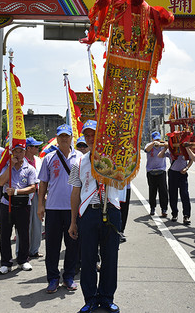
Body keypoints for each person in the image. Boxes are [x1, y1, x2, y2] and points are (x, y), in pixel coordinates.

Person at [68, 120, 123, 313]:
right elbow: (75, 192)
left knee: (110, 257)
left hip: (111, 210)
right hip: (88, 212)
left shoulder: (113, 158)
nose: (91, 139)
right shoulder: (79, 162)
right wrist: (73, 221)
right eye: (87, 135)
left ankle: (107, 297)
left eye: (94, 135)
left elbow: (121, 183)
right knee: (88, 258)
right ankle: (90, 299)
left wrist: (106, 169)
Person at [38, 125, 82, 293]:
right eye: (61, 136)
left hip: (73, 209)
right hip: (54, 208)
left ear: (72, 137)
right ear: (57, 137)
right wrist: (40, 205)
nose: (64, 139)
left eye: (67, 136)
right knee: (52, 246)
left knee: (72, 245)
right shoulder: (49, 158)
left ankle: (69, 276)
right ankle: (53, 278)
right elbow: (43, 182)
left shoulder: (80, 157)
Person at [0, 142, 38, 274]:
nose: (18, 154)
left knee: (23, 234)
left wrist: (16, 192)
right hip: (6, 204)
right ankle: (6, 262)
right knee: (5, 234)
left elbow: (33, 187)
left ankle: (23, 260)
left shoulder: (30, 169)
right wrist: (11, 166)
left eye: (20, 151)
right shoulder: (7, 167)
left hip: (23, 205)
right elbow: (1, 182)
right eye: (15, 151)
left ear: (25, 152)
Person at [159, 143, 193, 225]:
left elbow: (191, 159)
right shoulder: (171, 150)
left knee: (184, 194)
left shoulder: (185, 149)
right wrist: (165, 148)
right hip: (173, 173)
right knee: (173, 194)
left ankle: (186, 215)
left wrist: (187, 168)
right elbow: (160, 156)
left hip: (183, 173)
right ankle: (174, 213)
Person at [21, 136, 43, 259]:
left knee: (37, 223)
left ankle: (34, 249)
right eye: (35, 146)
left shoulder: (39, 160)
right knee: (24, 225)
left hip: (37, 194)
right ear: (28, 148)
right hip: (24, 195)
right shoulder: (20, 161)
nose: (37, 148)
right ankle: (22, 252)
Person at [144, 132, 169, 217]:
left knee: (163, 191)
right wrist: (153, 144)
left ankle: (164, 209)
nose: (157, 141)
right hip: (151, 172)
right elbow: (146, 149)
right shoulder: (149, 145)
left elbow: (169, 145)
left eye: (158, 139)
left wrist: (162, 144)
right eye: (155, 139)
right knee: (152, 191)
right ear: (152, 139)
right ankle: (152, 208)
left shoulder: (163, 145)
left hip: (161, 171)